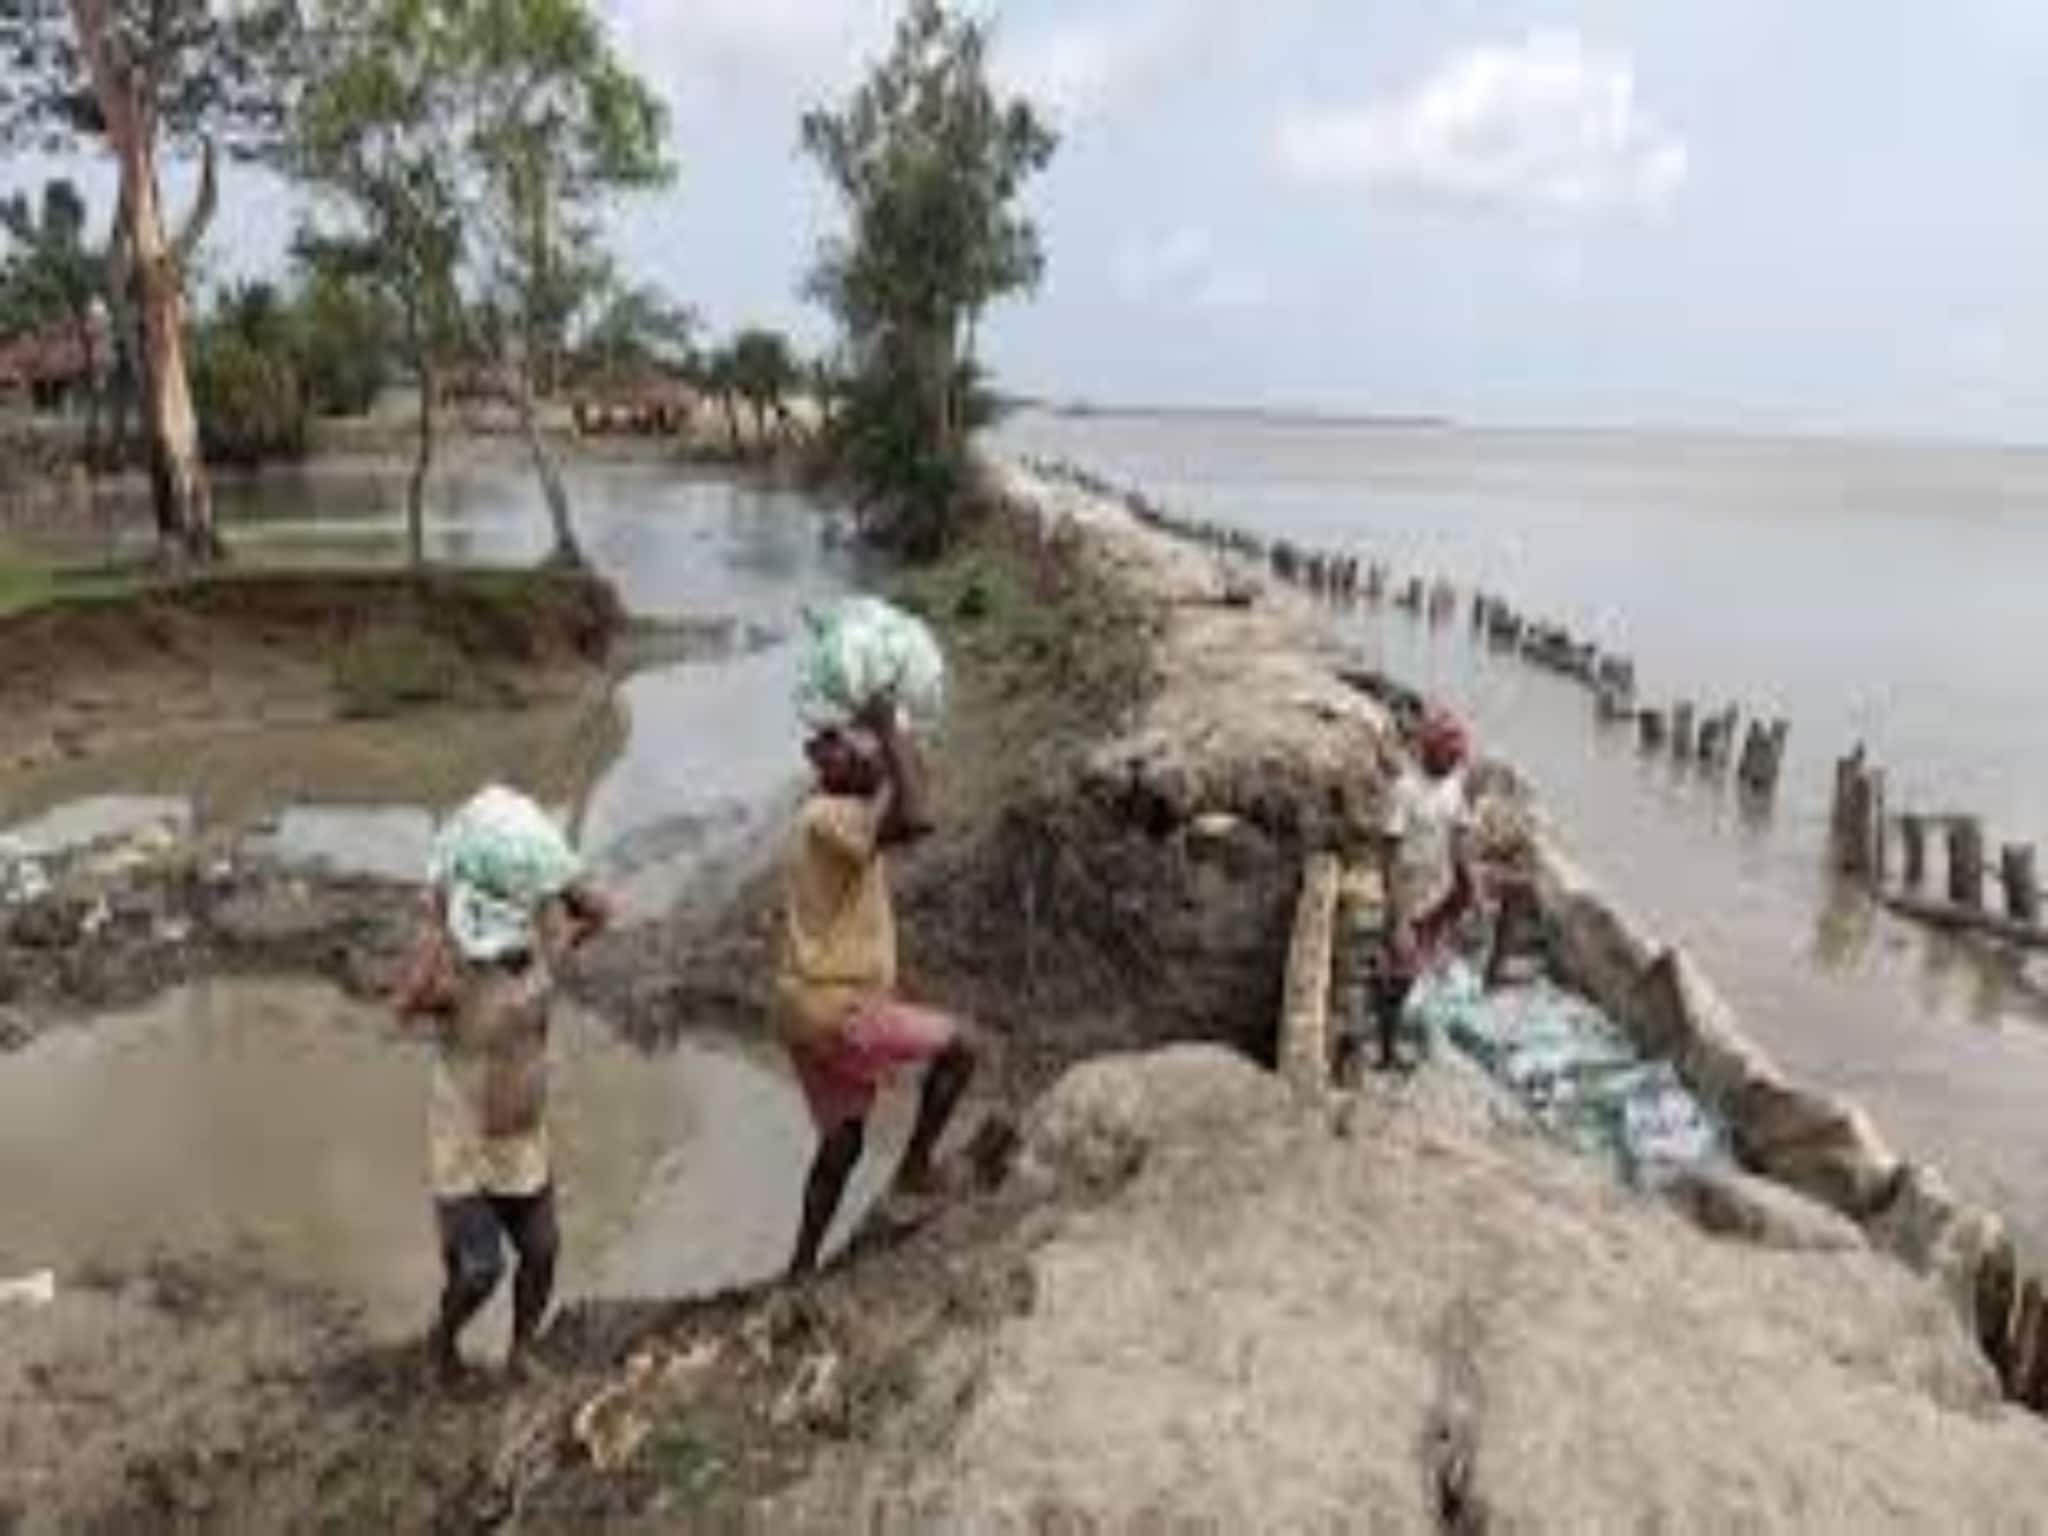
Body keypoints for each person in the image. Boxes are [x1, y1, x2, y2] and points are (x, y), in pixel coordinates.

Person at [392, 787, 611, 1385]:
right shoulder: (456, 973)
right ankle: (441, 1344)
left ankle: (520, 1353)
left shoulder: (542, 942)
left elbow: (599, 909)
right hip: (461, 1136)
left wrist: (550, 873)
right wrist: (434, 924)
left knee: (542, 1251)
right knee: (479, 1270)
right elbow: (402, 1007)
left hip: (521, 1132)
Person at [777, 701, 977, 1276]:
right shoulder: (827, 815)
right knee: (965, 1049)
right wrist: (890, 730)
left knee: (842, 1143)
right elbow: (914, 818)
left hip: (805, 1003)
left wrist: (892, 746)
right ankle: (915, 1169)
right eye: (845, 740)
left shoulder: (831, 808)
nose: (862, 748)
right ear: (817, 756)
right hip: (837, 1007)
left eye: (862, 736)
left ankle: (801, 1268)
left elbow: (913, 805)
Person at [1370, 711, 1476, 1070]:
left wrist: (1467, 887)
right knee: (1398, 974)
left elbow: (1458, 833)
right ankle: (1386, 1049)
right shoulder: (1406, 791)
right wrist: (1398, 919)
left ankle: (1402, 1002)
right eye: (1447, 756)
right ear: (1429, 752)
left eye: (1455, 757)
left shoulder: (1453, 784)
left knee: (1416, 965)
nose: (1452, 763)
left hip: (1438, 890)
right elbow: (1389, 857)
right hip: (1409, 898)